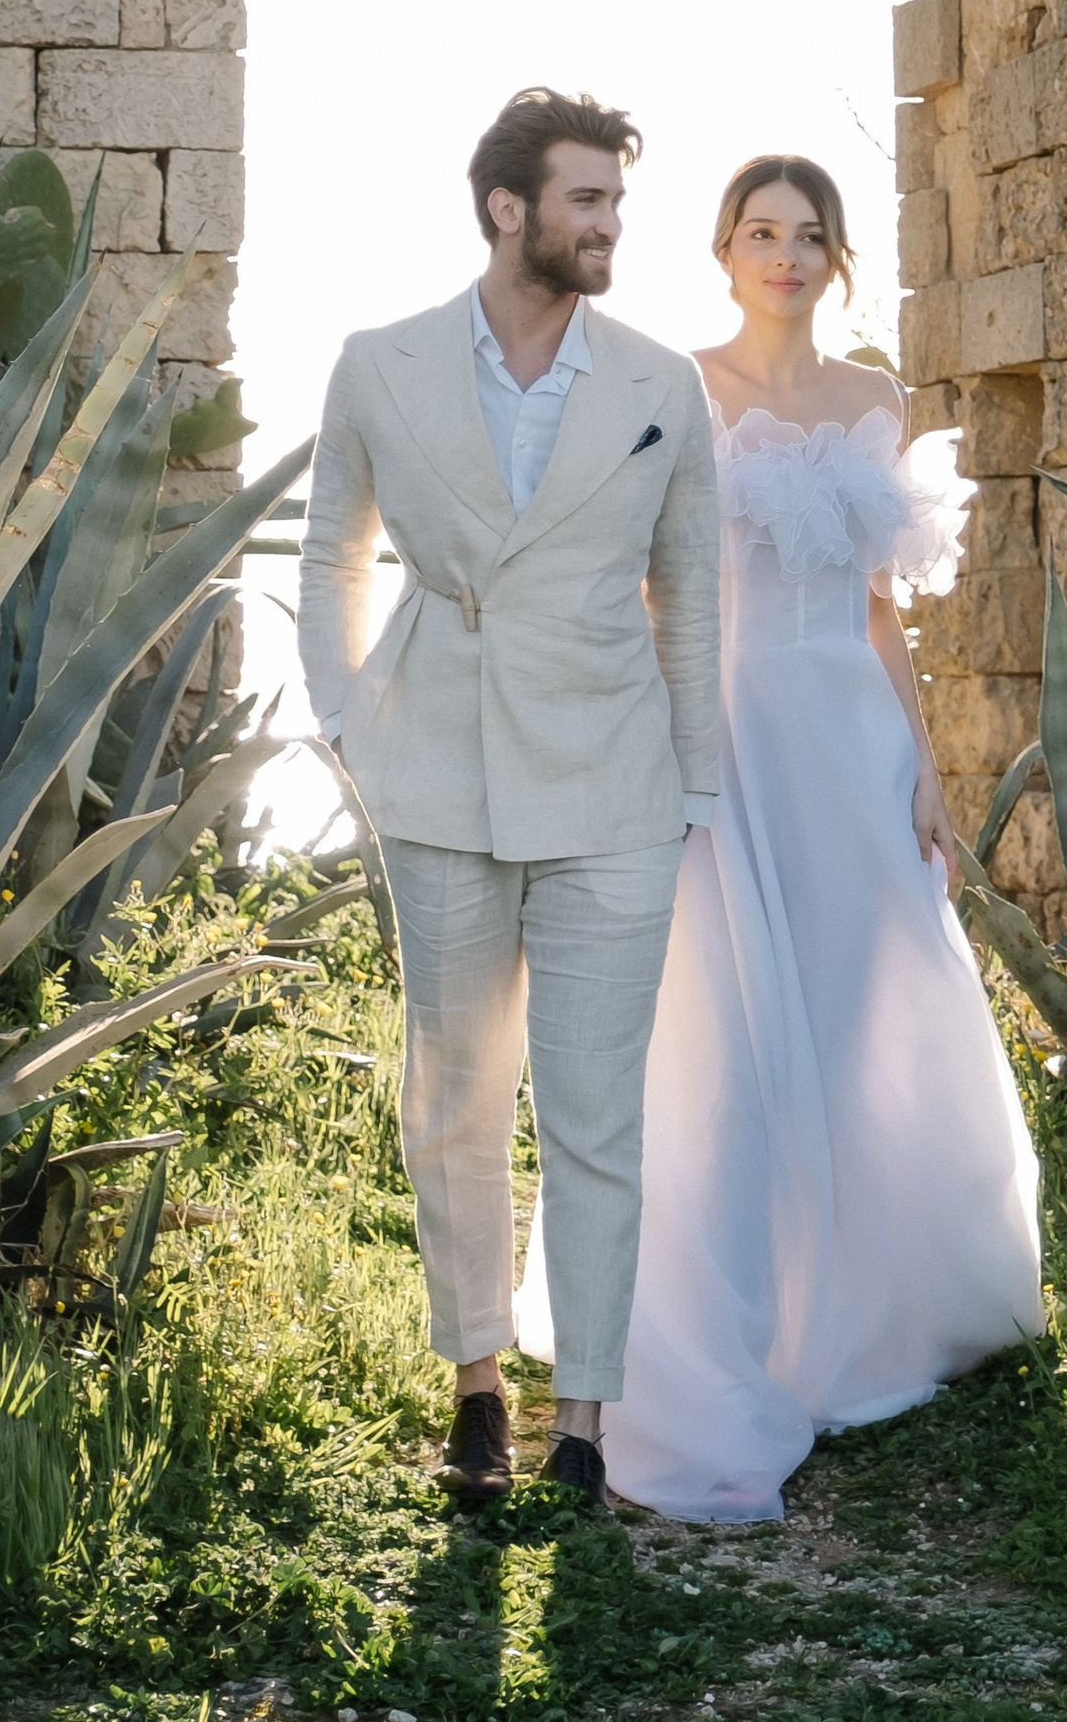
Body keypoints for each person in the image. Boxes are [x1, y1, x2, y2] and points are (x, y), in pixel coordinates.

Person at [518, 152, 1042, 1520]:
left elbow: (882, 610)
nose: (787, 254)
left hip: (848, 742)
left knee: (867, 1011)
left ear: (837, 256)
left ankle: (877, 1311)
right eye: (762, 230)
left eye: (811, 234)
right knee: (730, 1042)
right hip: (727, 742)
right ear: (725, 247)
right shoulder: (675, 386)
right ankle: (726, 1336)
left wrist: (925, 765)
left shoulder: (873, 398)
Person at [297, 88, 719, 1511]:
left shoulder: (663, 384)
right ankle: (478, 1388)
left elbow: (696, 598)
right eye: (587, 200)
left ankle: (585, 1414)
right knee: (455, 1095)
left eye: (614, 201)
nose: (610, 225)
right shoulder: (380, 363)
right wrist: (349, 716)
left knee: (599, 1112)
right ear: (507, 209)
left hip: (612, 784)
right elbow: (327, 558)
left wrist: (696, 786)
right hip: (438, 775)